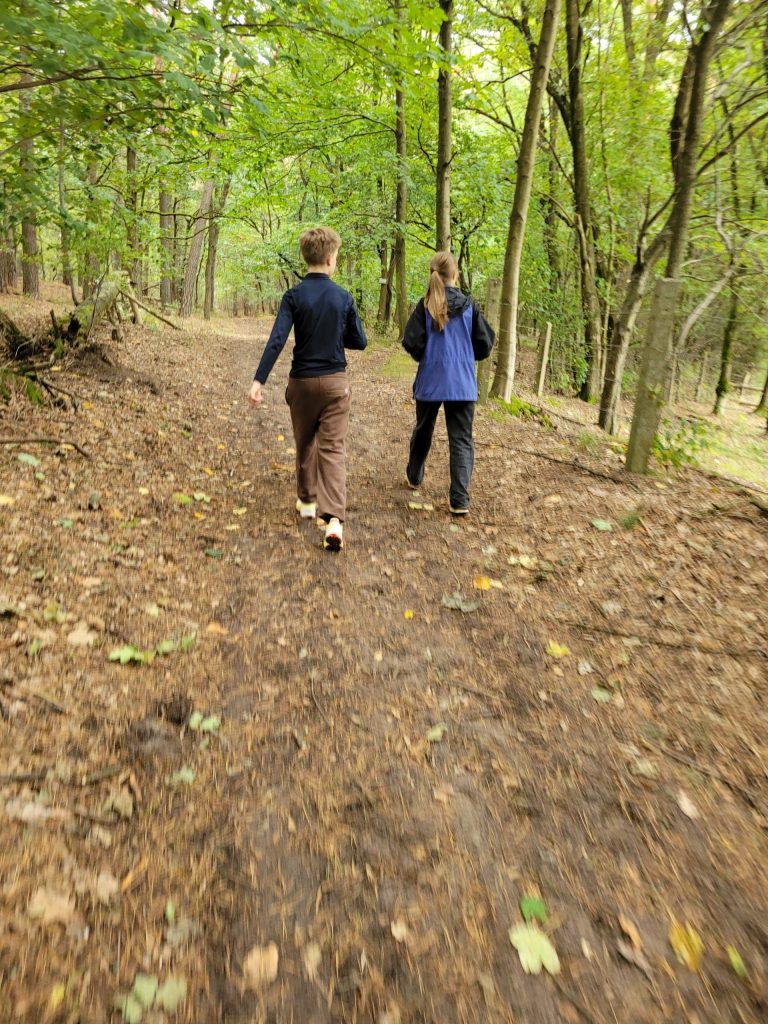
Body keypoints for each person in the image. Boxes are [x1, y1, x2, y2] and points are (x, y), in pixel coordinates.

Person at [248, 227, 367, 551]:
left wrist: (259, 380)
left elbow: (277, 339)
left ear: (307, 257)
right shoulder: (343, 297)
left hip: (301, 383)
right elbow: (360, 341)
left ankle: (307, 501)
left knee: (305, 443)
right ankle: (334, 521)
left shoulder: (294, 296)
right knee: (333, 449)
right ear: (329, 258)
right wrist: (334, 334)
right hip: (335, 384)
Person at [401, 251, 495, 514]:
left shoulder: (425, 306)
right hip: (462, 383)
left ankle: (414, 476)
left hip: (430, 380)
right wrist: (465, 356)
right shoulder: (470, 306)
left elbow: (411, 341)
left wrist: (426, 356)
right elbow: (485, 344)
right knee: (461, 439)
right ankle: (459, 500)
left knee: (423, 430)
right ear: (455, 274)